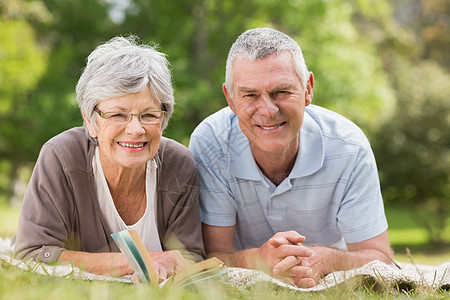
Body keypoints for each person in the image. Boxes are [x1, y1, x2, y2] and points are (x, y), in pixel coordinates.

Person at [189, 27, 393, 288]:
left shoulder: (350, 147)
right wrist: (261, 260)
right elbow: (211, 257)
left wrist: (323, 259)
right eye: (250, 95)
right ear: (230, 98)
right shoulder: (210, 144)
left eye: (281, 92)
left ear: (308, 89)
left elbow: (381, 258)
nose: (268, 110)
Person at [14, 35, 205, 281]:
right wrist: (135, 262)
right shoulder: (61, 157)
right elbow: (32, 255)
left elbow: (191, 261)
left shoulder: (180, 165)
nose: (136, 129)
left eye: (149, 115)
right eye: (118, 115)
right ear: (90, 121)